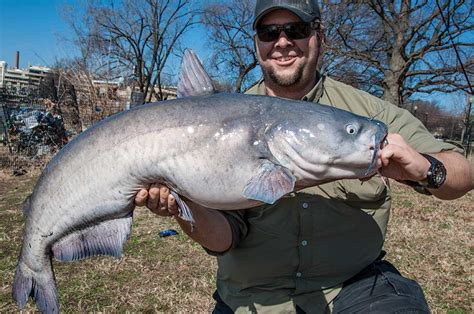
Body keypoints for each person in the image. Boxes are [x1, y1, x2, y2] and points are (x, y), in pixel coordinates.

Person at [135, 0, 473, 312]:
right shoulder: (223, 125)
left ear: (319, 36)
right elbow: (223, 239)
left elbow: (462, 171)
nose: (282, 42)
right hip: (253, 297)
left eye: (295, 30)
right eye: (269, 32)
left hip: (354, 287)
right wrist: (184, 206)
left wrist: (427, 170)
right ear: (257, 42)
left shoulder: (367, 115)